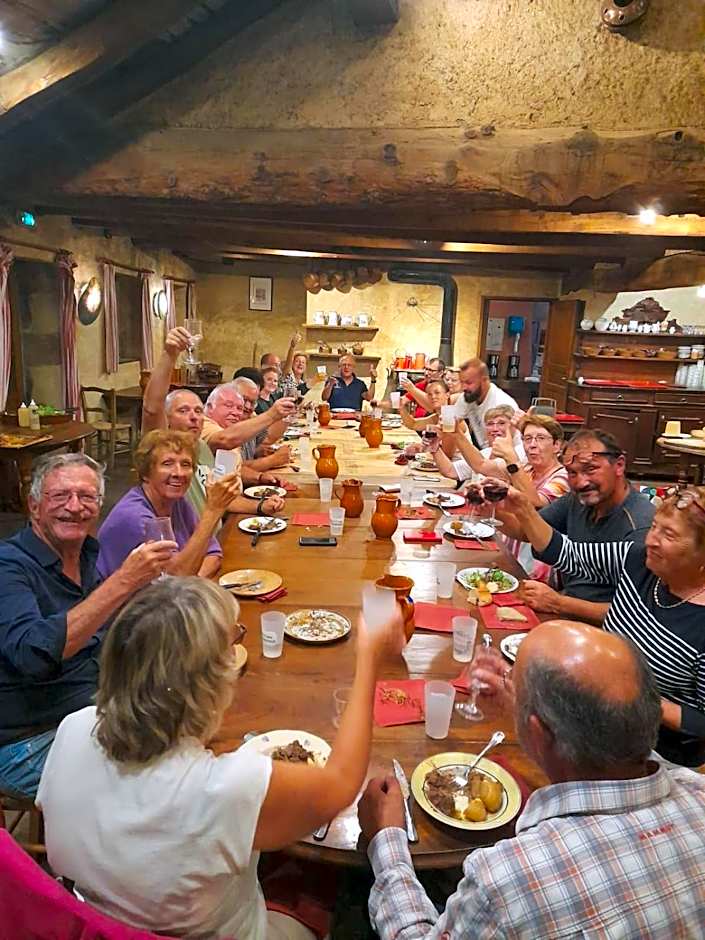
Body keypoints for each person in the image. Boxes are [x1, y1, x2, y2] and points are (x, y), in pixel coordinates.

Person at [37, 577, 404, 939]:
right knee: (326, 876)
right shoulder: (222, 789)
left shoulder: (73, 727)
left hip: (94, 921)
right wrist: (369, 656)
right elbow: (340, 782)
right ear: (206, 684)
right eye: (232, 643)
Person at [359, 620, 705, 938]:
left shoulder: (508, 880)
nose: (506, 681)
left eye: (514, 680)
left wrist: (388, 843)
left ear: (538, 733)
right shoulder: (697, 790)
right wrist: (525, 711)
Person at [491, 483, 705, 766]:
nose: (652, 540)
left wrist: (633, 701)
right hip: (591, 712)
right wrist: (522, 508)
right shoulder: (639, 559)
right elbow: (568, 554)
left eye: (669, 535)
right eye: (654, 526)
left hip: (651, 753)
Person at [0, 454, 174, 798]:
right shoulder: (9, 566)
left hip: (91, 710)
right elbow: (32, 653)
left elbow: (102, 633)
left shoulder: (84, 555)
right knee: (161, 786)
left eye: (87, 497)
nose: (74, 506)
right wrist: (122, 581)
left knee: (193, 722)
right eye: (60, 496)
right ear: (34, 506)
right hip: (27, 740)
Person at [497, 428, 655, 623]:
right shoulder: (578, 500)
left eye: (590, 469)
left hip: (605, 634)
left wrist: (558, 603)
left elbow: (635, 614)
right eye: (572, 472)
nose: (580, 482)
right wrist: (495, 510)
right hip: (563, 612)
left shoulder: (641, 527)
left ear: (619, 465)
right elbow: (528, 532)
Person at [142, 328, 283, 517]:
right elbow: (152, 409)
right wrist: (170, 354)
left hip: (215, 536)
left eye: (198, 411)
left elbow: (220, 500)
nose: (194, 416)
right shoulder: (162, 448)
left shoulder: (201, 448)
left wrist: (260, 507)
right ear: (167, 419)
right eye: (183, 410)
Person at [96, 430, 239, 581]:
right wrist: (213, 510)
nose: (179, 473)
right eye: (167, 463)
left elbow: (213, 552)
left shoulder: (177, 502)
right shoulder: (135, 516)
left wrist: (192, 579)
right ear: (145, 473)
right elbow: (174, 579)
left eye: (185, 464)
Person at [202, 381, 294, 479]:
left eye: (239, 408)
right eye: (229, 405)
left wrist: (287, 414)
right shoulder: (203, 424)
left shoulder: (243, 419)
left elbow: (232, 470)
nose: (247, 407)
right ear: (209, 406)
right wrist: (272, 460)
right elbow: (224, 440)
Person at [431, 404, 525, 482]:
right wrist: (434, 447)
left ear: (513, 427)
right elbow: (450, 471)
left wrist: (457, 433)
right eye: (490, 424)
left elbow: (481, 465)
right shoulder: (485, 452)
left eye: (501, 423)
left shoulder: (520, 455)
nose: (495, 429)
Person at [453, 358, 519, 448]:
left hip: (507, 455)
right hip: (486, 453)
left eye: (469, 383)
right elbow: (451, 421)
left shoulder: (501, 404)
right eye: (462, 382)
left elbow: (502, 449)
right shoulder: (468, 396)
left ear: (484, 380)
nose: (463, 387)